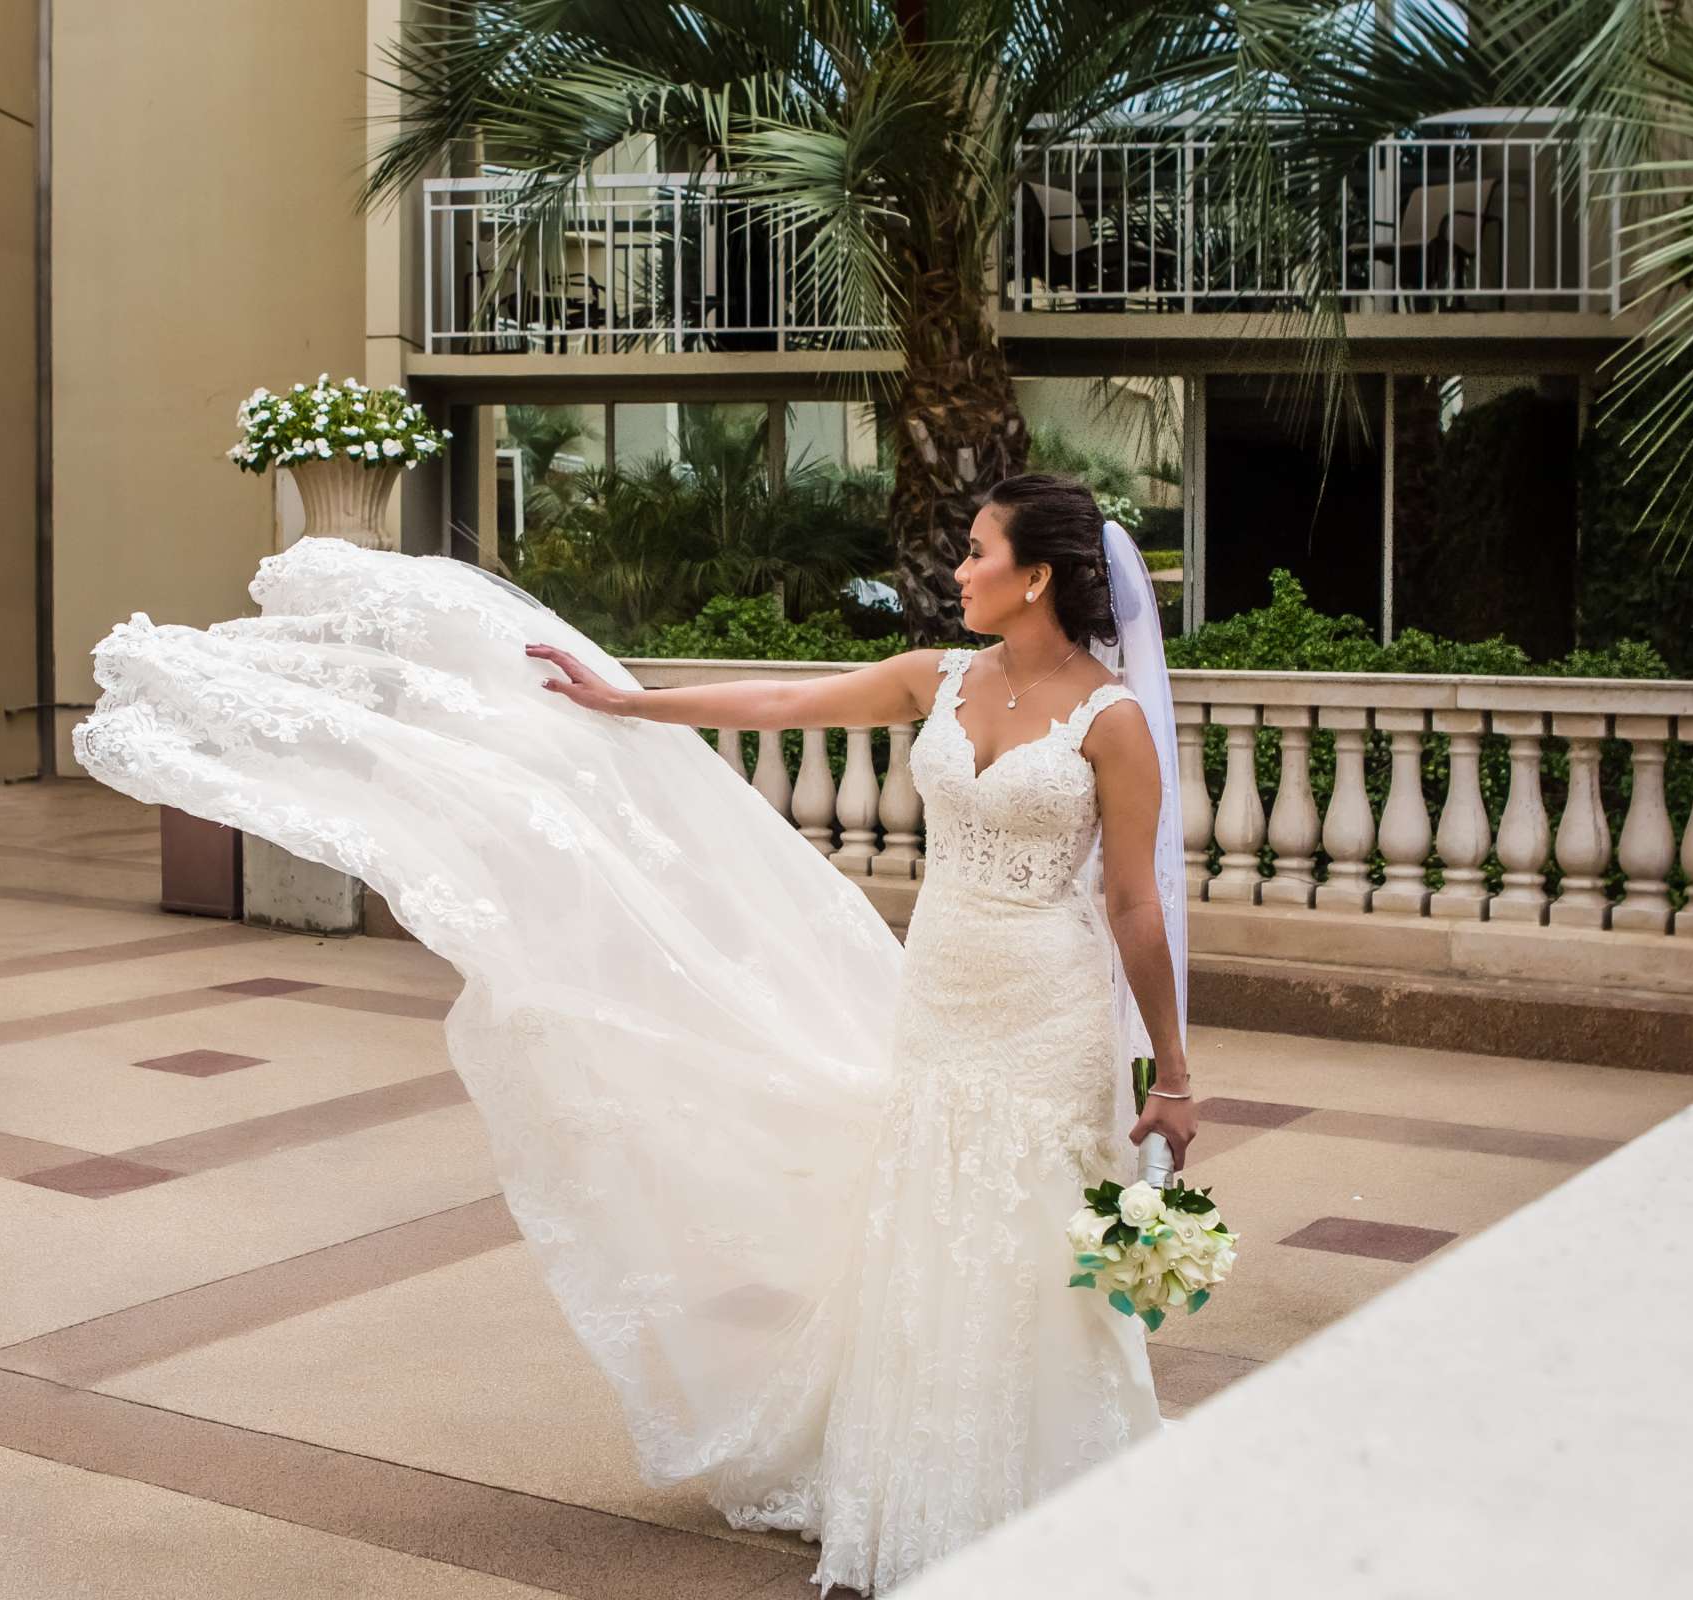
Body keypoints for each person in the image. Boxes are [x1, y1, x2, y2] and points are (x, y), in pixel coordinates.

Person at [73, 472, 1196, 1596]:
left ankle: (1044, 1491)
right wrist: (627, 704)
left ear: (1035, 576)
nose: (957, 568)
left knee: (1026, 1241)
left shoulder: (1113, 721)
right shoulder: (939, 680)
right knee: (928, 1231)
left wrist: (1174, 1075)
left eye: (977, 550)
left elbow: (1134, 908)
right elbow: (778, 707)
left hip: (1042, 1006)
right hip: (940, 991)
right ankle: (921, 1487)